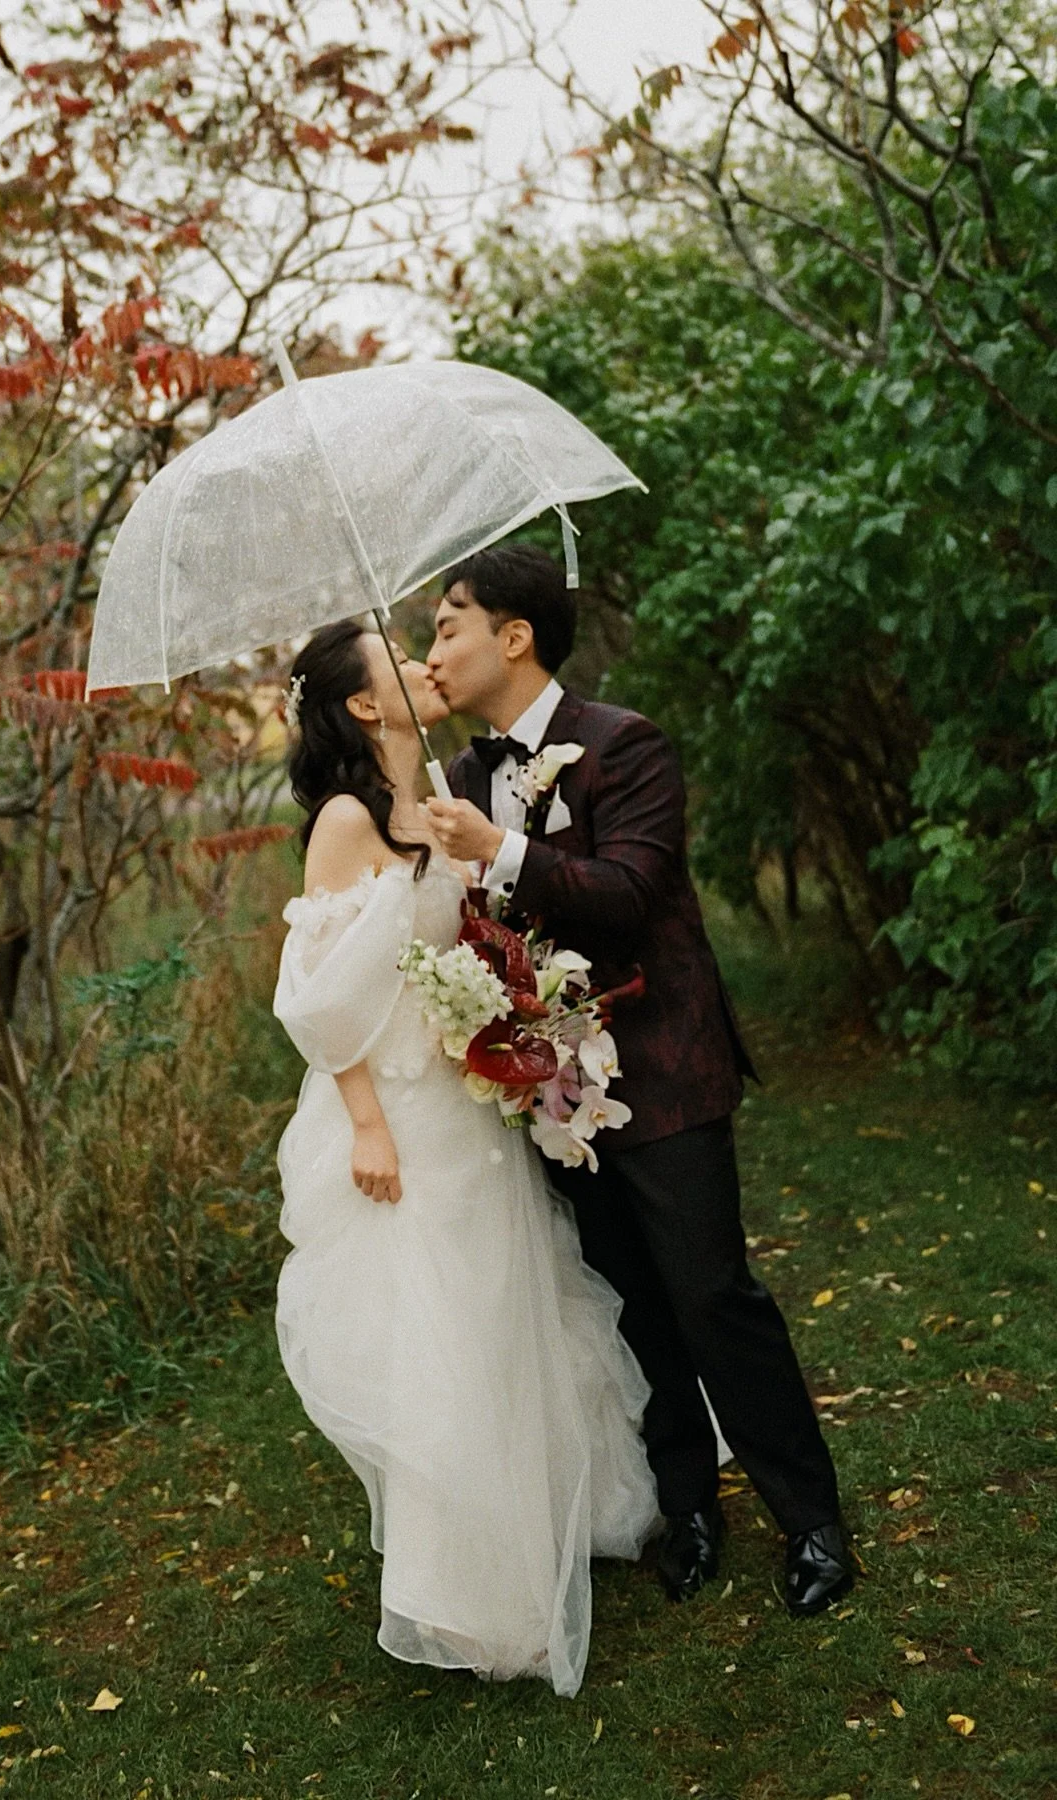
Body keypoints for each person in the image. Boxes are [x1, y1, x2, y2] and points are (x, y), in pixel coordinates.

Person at [422, 543, 854, 1617]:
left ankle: (813, 1522)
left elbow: (630, 893)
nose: (435, 648)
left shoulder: (624, 743)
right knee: (630, 1308)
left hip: (662, 1068)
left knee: (713, 1296)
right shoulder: (465, 780)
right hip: (550, 1095)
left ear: (513, 636)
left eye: (447, 626)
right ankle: (688, 1506)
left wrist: (506, 854)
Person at [272, 618, 660, 1696]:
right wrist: (365, 1121)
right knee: (442, 1340)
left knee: (507, 1308)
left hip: (469, 1092)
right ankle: (476, 1599)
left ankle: (547, 1524)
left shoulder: (442, 786)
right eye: (397, 655)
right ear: (362, 705)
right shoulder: (347, 821)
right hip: (399, 1106)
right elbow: (317, 998)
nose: (420, 662)